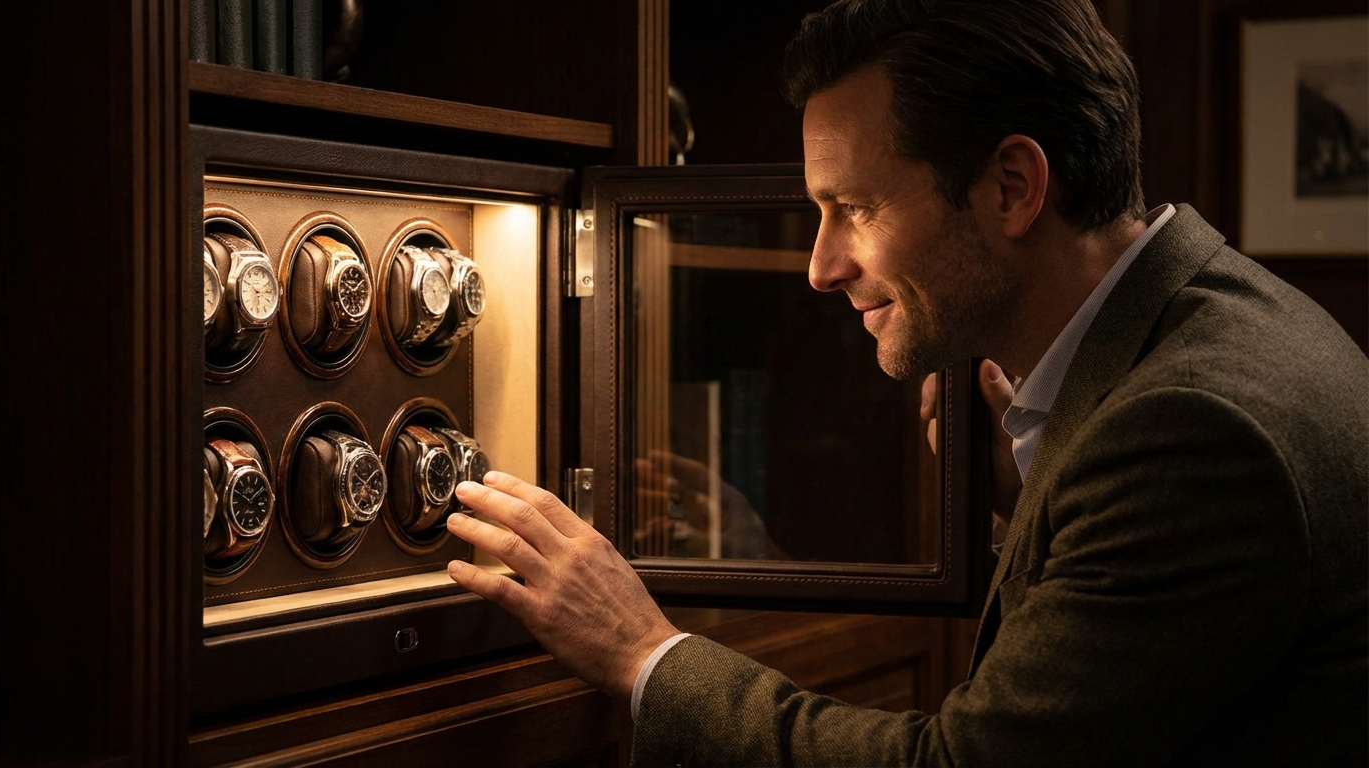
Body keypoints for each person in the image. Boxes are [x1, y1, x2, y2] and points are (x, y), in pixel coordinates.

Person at [442, 0, 1369, 764]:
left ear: (1012, 186)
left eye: (855, 207)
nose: (821, 265)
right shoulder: (1218, 324)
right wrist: (1037, 491)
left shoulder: (1187, 433)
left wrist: (643, 651)